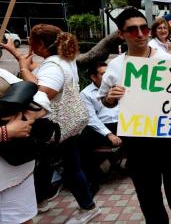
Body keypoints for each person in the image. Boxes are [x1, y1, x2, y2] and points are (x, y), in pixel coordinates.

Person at [98, 7, 171, 224]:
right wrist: (111, 97)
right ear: (121, 34)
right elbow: (105, 101)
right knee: (150, 204)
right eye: (132, 29)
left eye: (144, 27)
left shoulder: (167, 60)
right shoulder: (115, 66)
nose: (141, 33)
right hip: (138, 145)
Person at [3, 24, 101, 223]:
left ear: (39, 45)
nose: (28, 44)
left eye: (31, 41)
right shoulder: (63, 59)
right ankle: (42, 199)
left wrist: (22, 68)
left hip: (58, 126)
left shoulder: (54, 66)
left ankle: (88, 207)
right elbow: (37, 74)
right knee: (47, 164)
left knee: (70, 169)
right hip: (65, 124)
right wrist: (19, 57)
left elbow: (41, 94)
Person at [0, 67, 49, 224]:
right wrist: (5, 132)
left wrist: (25, 118)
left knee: (21, 219)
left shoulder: (2, 74)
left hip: (14, 173)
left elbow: (42, 100)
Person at [79, 61, 122, 191]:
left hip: (122, 125)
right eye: (103, 74)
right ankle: (93, 181)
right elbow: (92, 119)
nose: (108, 76)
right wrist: (108, 134)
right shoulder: (86, 94)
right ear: (93, 77)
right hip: (102, 128)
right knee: (83, 138)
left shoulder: (118, 88)